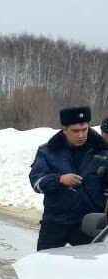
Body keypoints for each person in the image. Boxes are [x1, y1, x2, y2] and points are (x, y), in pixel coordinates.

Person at [29, 106, 106, 250]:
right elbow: (36, 182)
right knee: (44, 262)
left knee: (93, 264)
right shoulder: (47, 152)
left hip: (88, 223)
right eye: (75, 131)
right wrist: (58, 180)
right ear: (64, 130)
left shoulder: (102, 151)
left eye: (84, 129)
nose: (81, 135)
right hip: (55, 222)